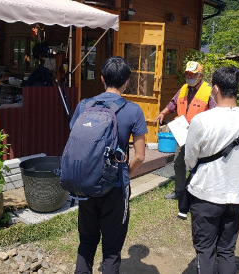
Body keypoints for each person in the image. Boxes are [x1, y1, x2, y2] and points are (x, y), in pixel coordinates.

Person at [70, 57, 147, 273]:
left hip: (86, 186)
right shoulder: (133, 111)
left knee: (86, 243)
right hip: (115, 189)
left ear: (102, 78)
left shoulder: (83, 105)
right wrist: (123, 175)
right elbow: (140, 156)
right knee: (111, 249)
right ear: (127, 81)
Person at [183, 67, 239, 274]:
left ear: (215, 88)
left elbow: (190, 159)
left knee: (205, 251)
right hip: (234, 196)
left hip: (206, 195)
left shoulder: (202, 120)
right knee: (226, 251)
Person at [153, 61, 216, 200]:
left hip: (200, 135)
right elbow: (173, 103)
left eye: (192, 74)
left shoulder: (208, 91)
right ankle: (179, 192)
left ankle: (198, 194)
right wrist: (163, 112)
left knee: (200, 164)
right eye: (187, 74)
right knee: (179, 162)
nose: (189, 76)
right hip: (183, 133)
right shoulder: (183, 89)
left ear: (200, 75)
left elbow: (215, 114)